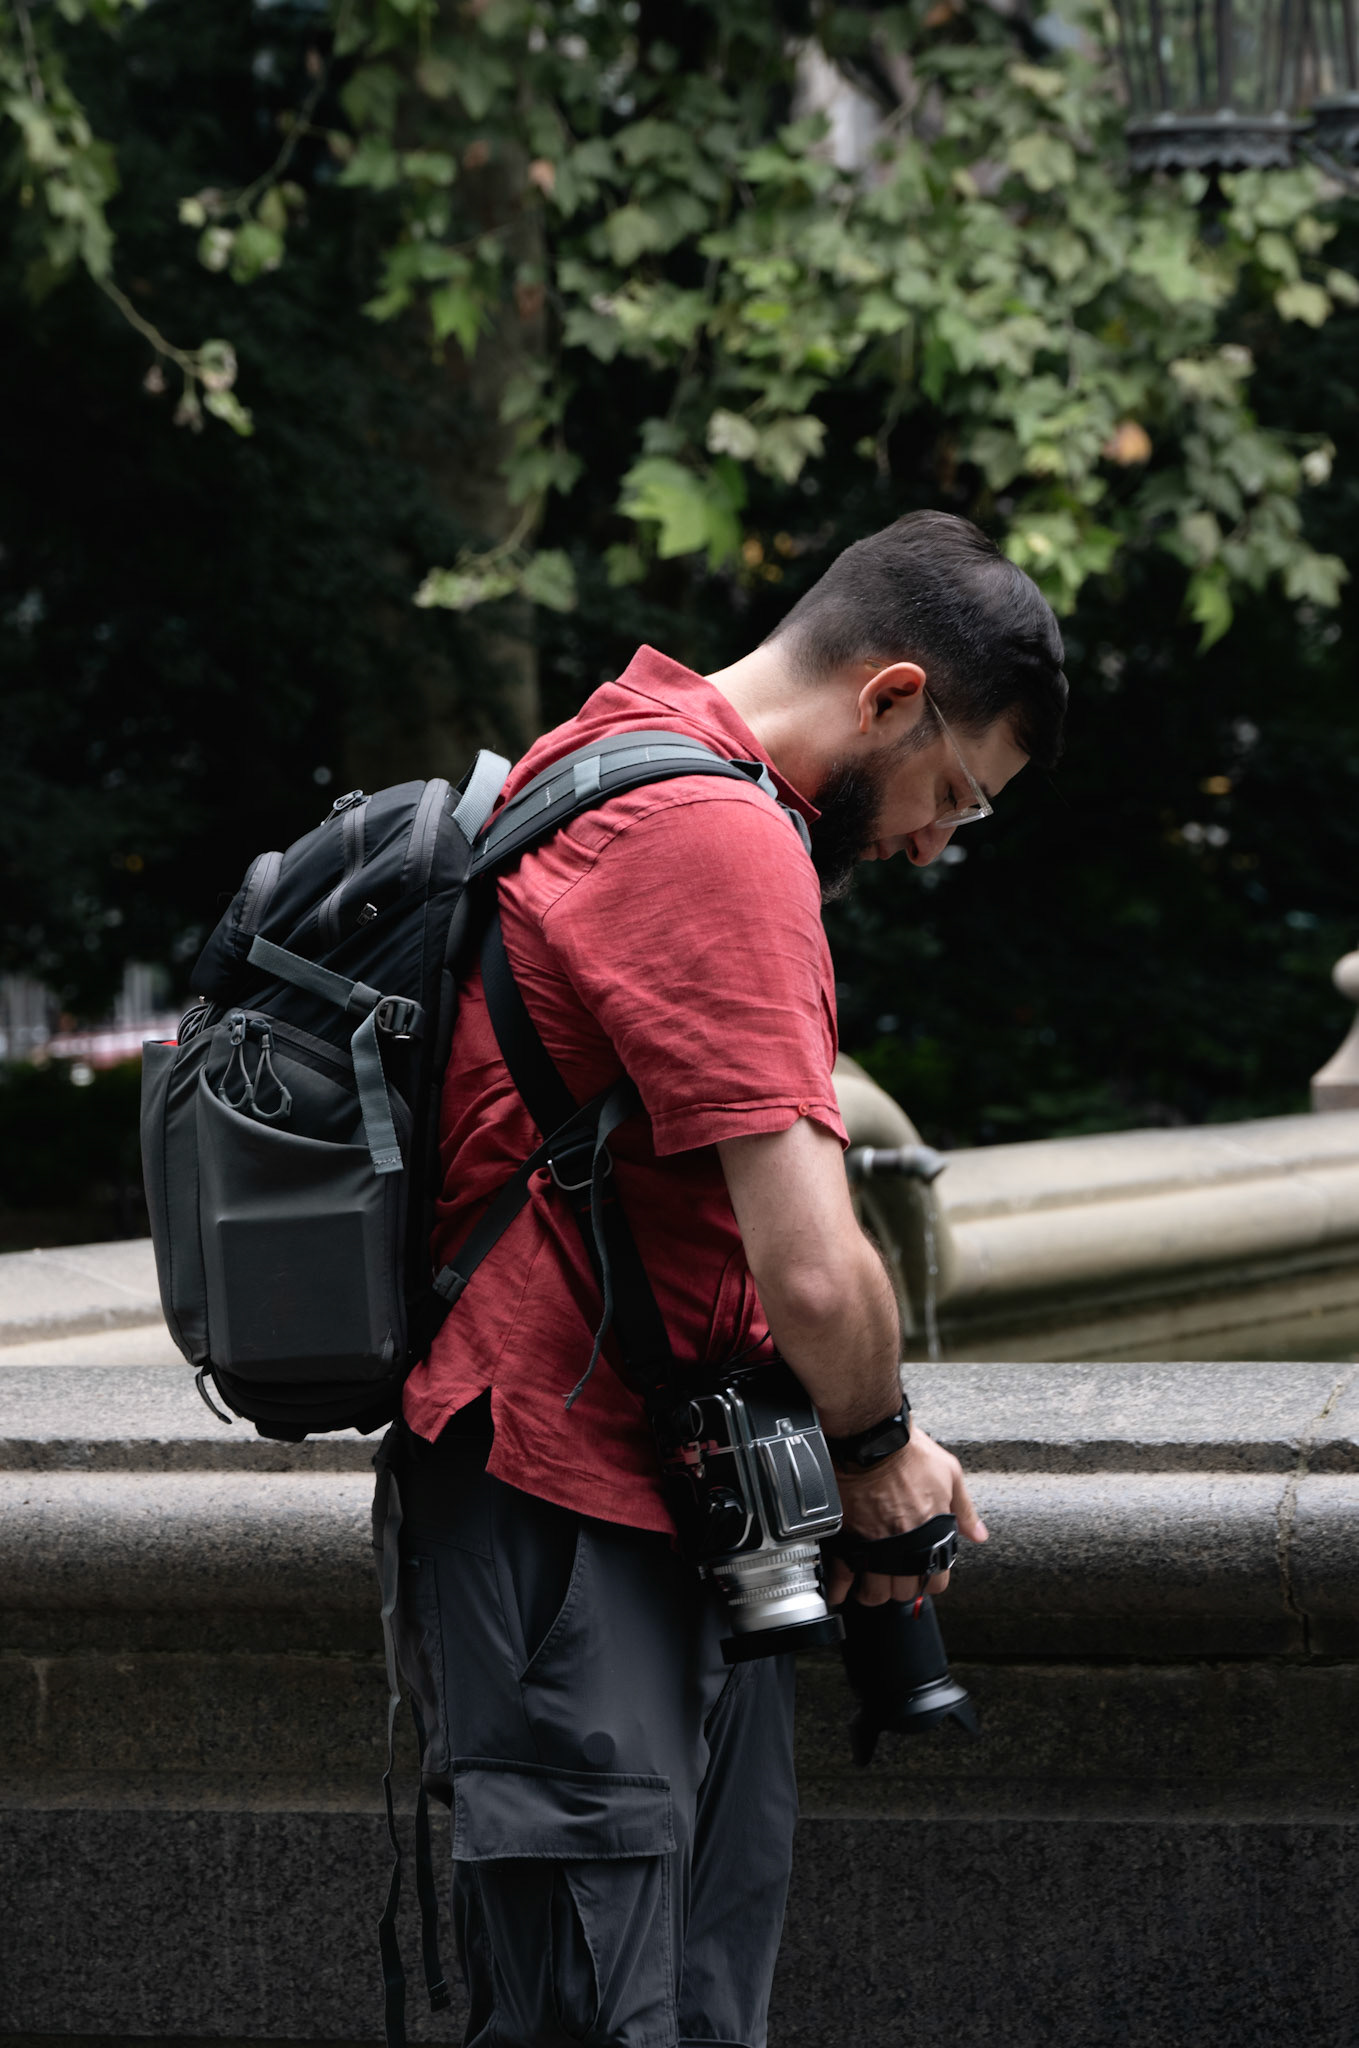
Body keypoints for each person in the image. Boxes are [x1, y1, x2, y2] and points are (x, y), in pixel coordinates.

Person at [382, 509, 1067, 2048]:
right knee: (607, 2014)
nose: (933, 843)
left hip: (650, 1494)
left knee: (690, 2007)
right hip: (570, 1515)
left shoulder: (608, 751)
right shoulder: (714, 835)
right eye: (954, 793)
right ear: (893, 695)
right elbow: (815, 1269)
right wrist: (880, 1453)